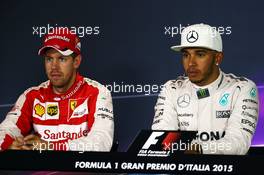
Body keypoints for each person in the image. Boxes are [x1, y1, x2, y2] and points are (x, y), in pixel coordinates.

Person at [0, 27, 114, 152]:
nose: (54, 67)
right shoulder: (32, 96)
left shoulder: (97, 92)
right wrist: (9, 147)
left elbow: (101, 143)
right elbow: (7, 129)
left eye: (61, 59)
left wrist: (51, 147)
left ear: (76, 61)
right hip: (43, 171)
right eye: (49, 59)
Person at [152, 23, 259, 155]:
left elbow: (238, 143)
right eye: (186, 55)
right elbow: (162, 140)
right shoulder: (172, 89)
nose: (191, 63)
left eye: (200, 54)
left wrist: (198, 149)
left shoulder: (242, 88)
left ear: (218, 58)